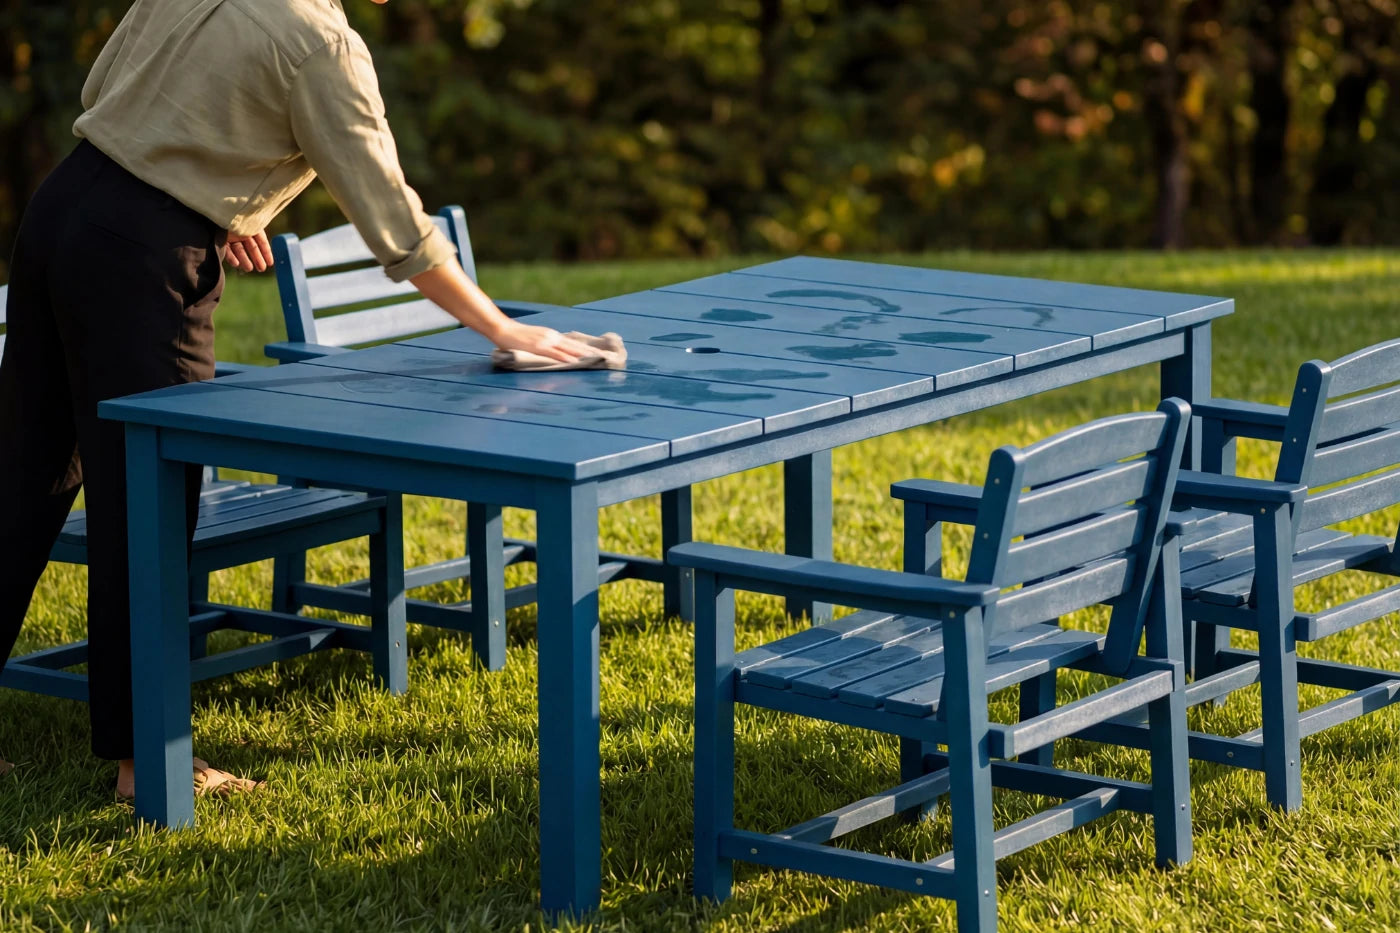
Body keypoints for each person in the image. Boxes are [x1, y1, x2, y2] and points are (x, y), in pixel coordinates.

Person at [0, 0, 591, 798]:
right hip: (138, 258)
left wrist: (219, 195)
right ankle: (148, 764)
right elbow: (394, 221)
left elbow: (110, 90)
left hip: (58, 211)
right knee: (148, 504)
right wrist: (502, 326)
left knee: (21, 479)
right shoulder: (323, 44)